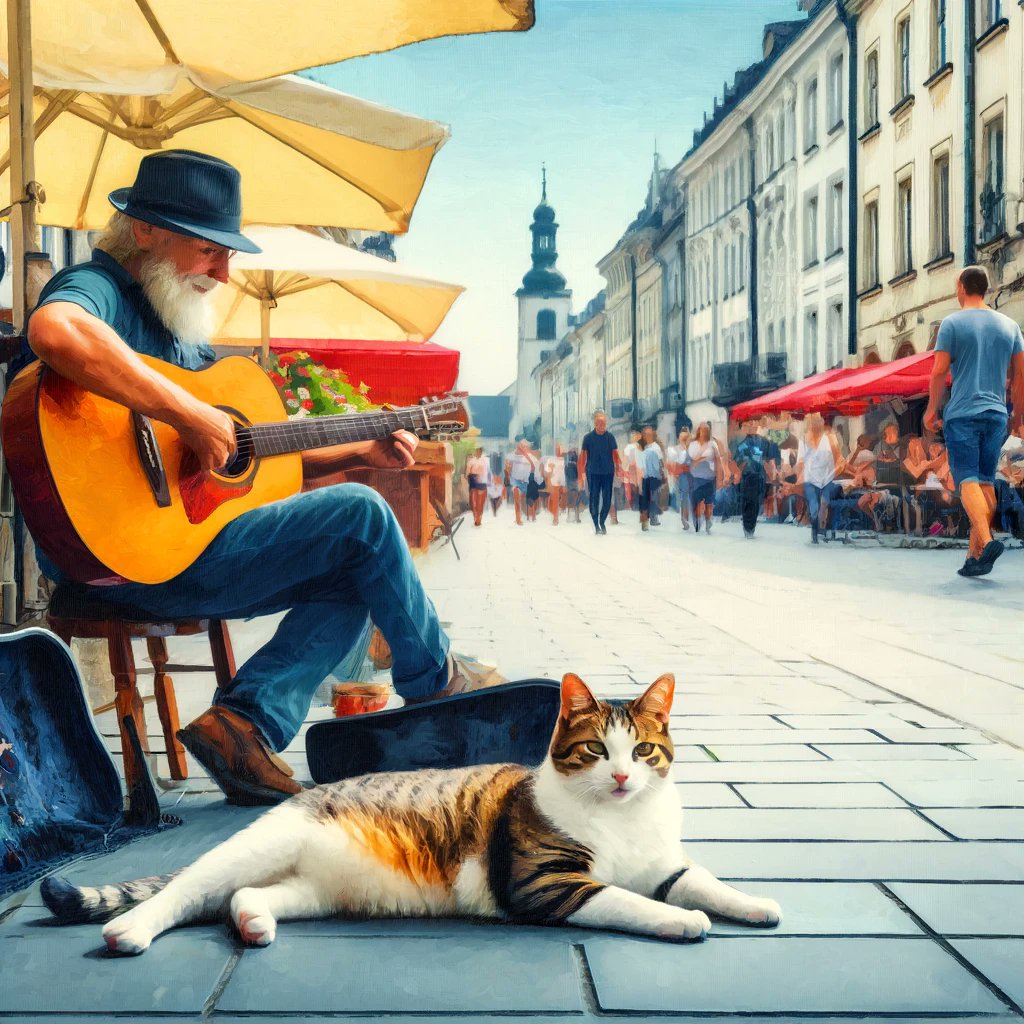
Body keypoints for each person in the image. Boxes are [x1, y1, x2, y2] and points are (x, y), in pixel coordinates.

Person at [23, 150, 505, 806]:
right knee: (363, 519)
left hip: (179, 548)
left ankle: (243, 725)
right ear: (145, 232)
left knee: (356, 565)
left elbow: (251, 461)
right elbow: (55, 330)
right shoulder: (103, 287)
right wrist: (188, 412)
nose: (225, 273)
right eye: (209, 251)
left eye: (228, 255)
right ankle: (440, 689)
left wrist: (359, 448)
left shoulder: (180, 330)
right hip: (120, 555)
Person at [925, 265, 1024, 576]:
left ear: (961, 287)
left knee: (966, 478)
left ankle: (987, 538)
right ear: (986, 289)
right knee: (984, 481)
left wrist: (931, 409)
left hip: (963, 414)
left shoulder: (952, 323)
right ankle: (974, 555)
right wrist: (1018, 415)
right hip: (996, 414)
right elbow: (1020, 375)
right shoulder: (1011, 326)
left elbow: (939, 370)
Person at [797, 413, 841, 544]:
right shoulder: (804, 440)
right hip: (810, 480)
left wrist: (833, 472)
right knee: (814, 505)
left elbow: (838, 459)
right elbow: (800, 462)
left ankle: (821, 527)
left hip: (826, 479)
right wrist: (799, 478)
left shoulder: (830, 439)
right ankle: (815, 529)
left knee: (824, 502)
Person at [733, 418, 778, 539]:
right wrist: (738, 473)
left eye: (753, 423)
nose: (752, 426)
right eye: (748, 424)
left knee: (756, 503)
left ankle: (751, 527)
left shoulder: (764, 442)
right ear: (745, 427)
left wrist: (771, 473)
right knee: (747, 502)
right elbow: (738, 463)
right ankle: (748, 528)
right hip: (747, 478)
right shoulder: (742, 445)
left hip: (759, 477)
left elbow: (770, 459)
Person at [578, 410, 619, 534]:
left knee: (607, 500)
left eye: (604, 424)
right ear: (595, 424)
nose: (602, 426)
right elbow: (583, 457)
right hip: (593, 473)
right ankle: (596, 525)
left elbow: (615, 455)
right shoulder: (588, 438)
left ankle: (602, 521)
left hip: (608, 473)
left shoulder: (610, 437)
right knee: (594, 499)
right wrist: (580, 475)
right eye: (599, 423)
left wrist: (620, 469)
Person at [687, 423, 721, 534]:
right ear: (699, 431)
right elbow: (692, 458)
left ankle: (708, 522)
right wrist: (703, 457)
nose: (705, 432)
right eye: (703, 430)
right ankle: (697, 521)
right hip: (696, 478)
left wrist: (720, 477)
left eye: (707, 430)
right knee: (696, 502)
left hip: (710, 478)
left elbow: (718, 460)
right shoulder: (693, 444)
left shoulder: (713, 444)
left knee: (709, 503)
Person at [995, 423, 1024, 536]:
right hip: (1004, 481)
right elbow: (1001, 465)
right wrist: (1012, 477)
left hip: (1013, 482)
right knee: (1015, 507)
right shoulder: (1013, 442)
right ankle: (1012, 532)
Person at [636, 425, 665, 531]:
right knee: (644, 499)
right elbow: (639, 464)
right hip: (645, 477)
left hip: (655, 477)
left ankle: (653, 517)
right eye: (645, 434)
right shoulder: (642, 448)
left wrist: (662, 475)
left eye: (649, 434)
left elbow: (661, 463)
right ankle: (644, 522)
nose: (647, 436)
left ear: (653, 435)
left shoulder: (656, 447)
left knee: (653, 497)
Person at [505, 439, 537, 526]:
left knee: (528, 501)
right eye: (521, 446)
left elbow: (534, 469)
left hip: (527, 482)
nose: (522, 448)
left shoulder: (531, 457)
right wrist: (508, 469)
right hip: (516, 481)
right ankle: (518, 519)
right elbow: (507, 465)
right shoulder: (512, 455)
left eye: (524, 447)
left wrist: (527, 456)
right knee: (517, 497)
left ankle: (531, 516)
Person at [667, 427, 693, 530]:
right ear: (678, 438)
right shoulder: (674, 449)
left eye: (686, 437)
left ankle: (691, 519)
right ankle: (685, 520)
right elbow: (672, 465)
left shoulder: (692, 448)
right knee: (684, 498)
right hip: (682, 476)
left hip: (693, 475)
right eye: (682, 437)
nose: (684, 439)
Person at [465, 446, 489, 527]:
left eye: (479, 451)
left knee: (480, 501)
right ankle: (476, 517)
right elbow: (467, 472)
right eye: (477, 451)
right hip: (473, 479)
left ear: (481, 452)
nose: (478, 452)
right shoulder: (471, 461)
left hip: (482, 480)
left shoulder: (485, 460)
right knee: (473, 501)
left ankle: (478, 518)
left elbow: (487, 471)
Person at [544, 444, 566, 525]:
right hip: (551, 483)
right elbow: (546, 471)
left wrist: (563, 484)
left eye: (559, 449)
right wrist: (550, 471)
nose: (558, 451)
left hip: (559, 484)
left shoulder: (563, 461)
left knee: (556, 500)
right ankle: (555, 516)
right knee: (554, 500)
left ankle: (555, 518)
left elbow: (563, 473)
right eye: (556, 449)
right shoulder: (551, 459)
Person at [564, 446, 582, 523]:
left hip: (572, 480)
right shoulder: (573, 459)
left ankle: (573, 516)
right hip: (574, 480)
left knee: (573, 497)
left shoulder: (568, 460)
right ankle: (574, 516)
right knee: (575, 497)